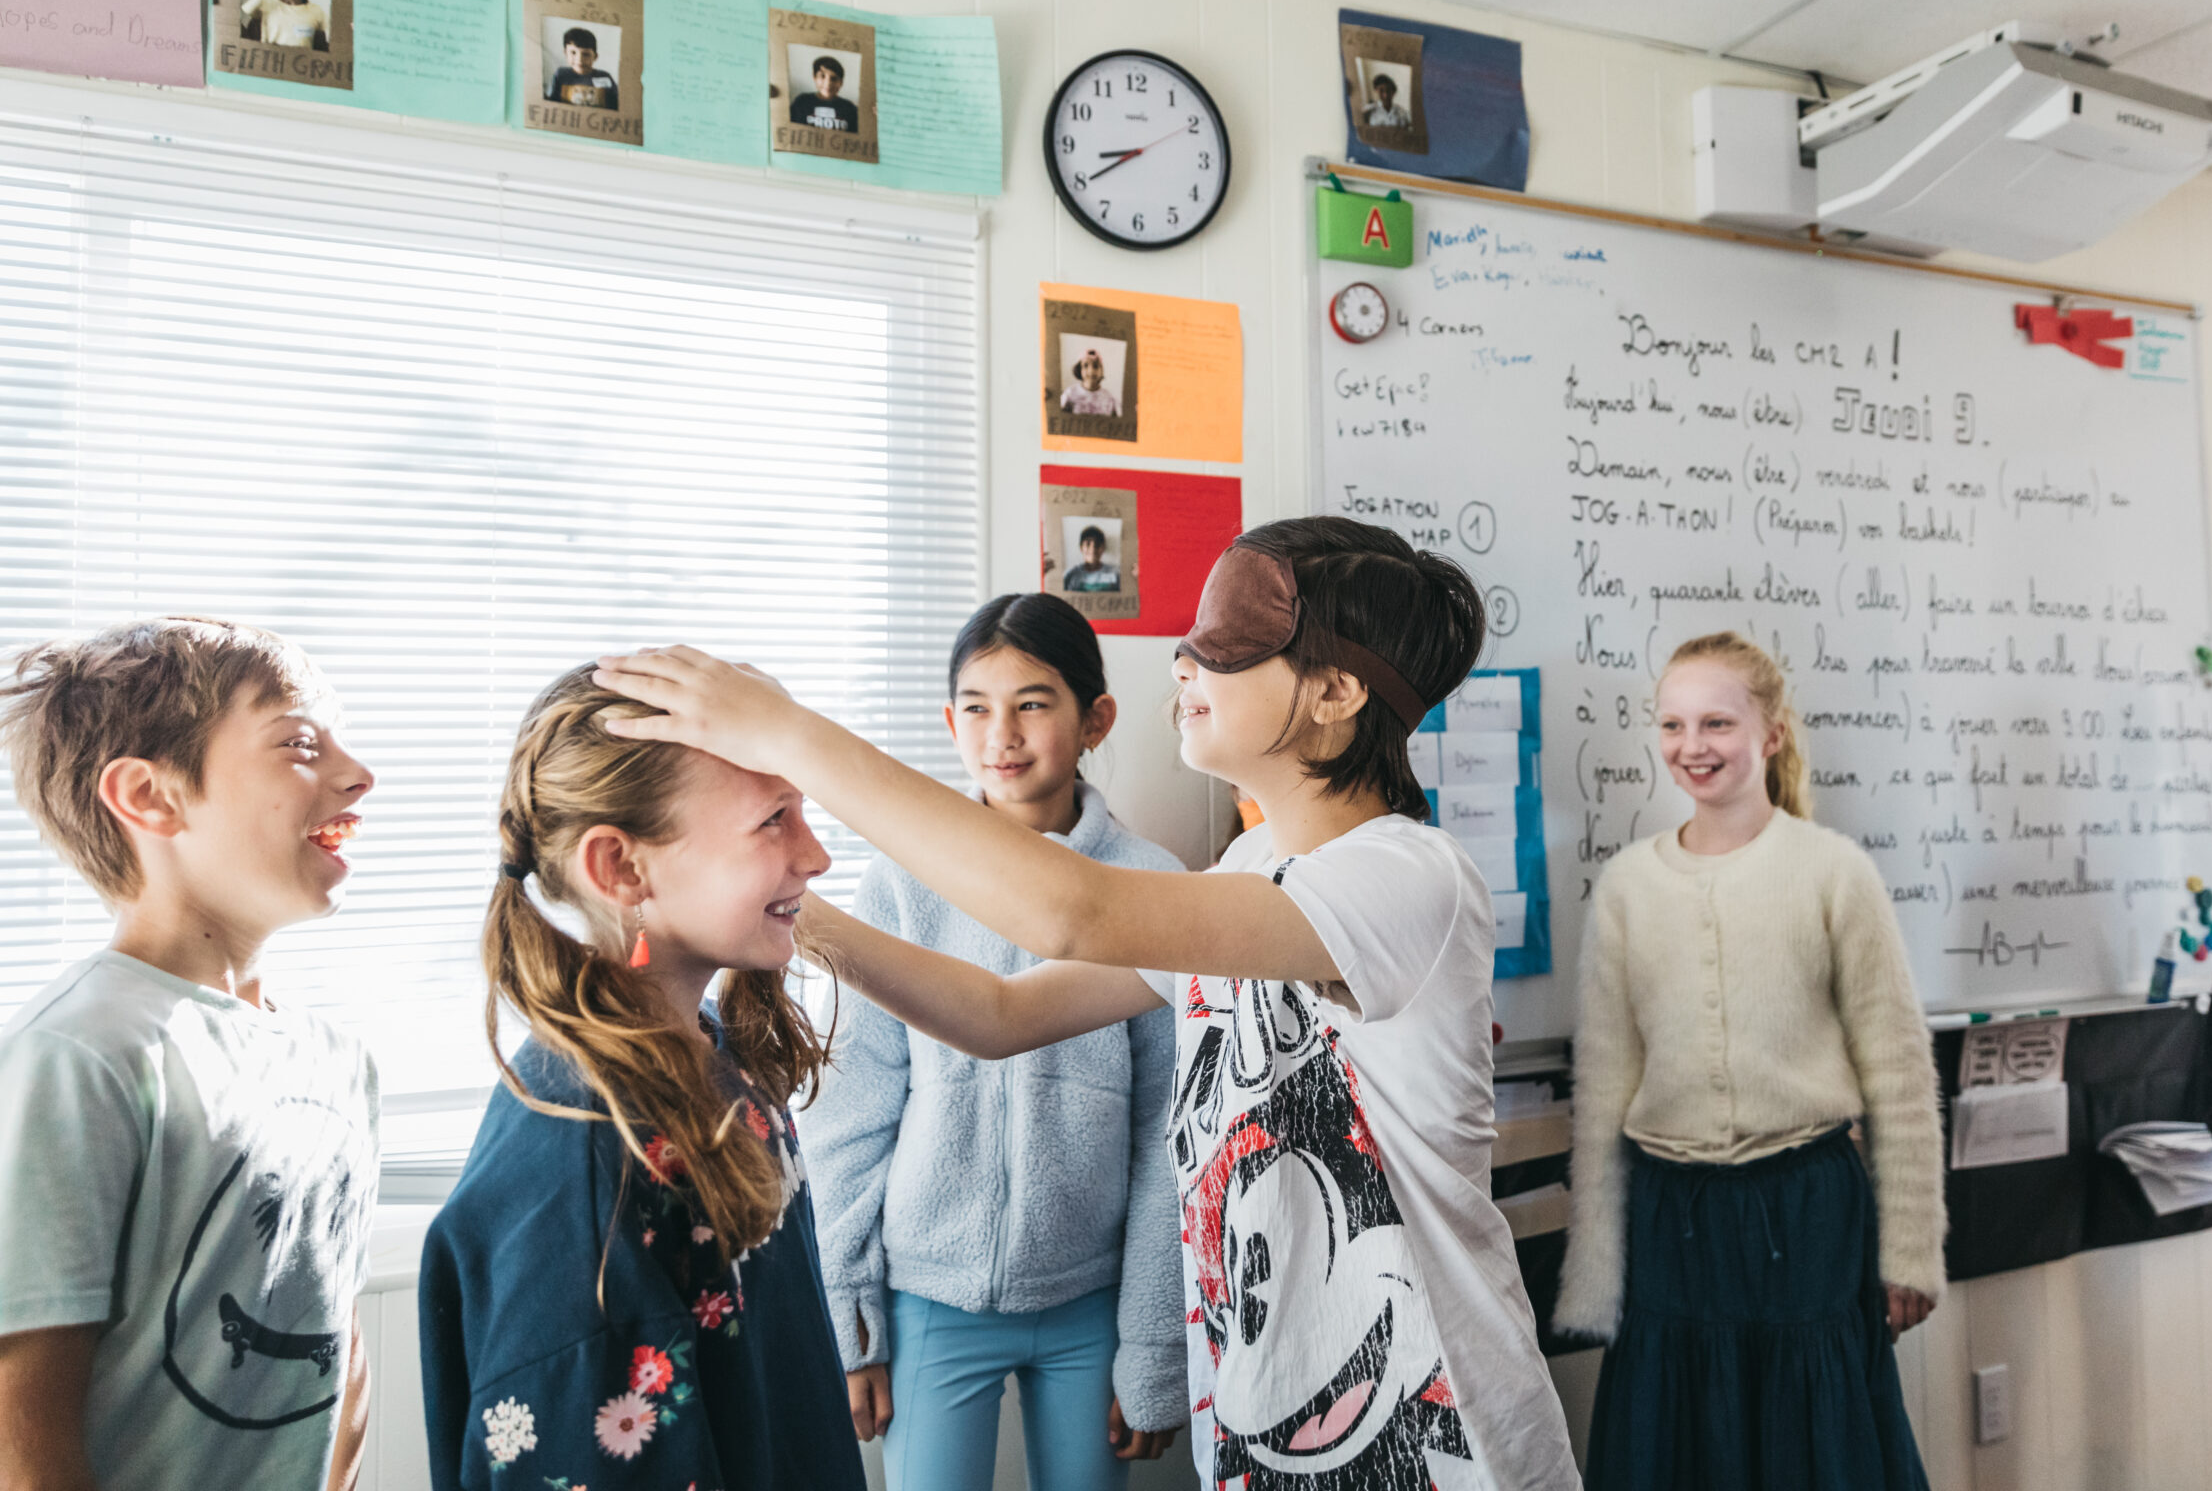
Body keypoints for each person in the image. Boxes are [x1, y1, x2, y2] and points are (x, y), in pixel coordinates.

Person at [591, 517, 1583, 1490]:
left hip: (1445, 1433)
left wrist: (788, 735)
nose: (1186, 662)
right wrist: (790, 908)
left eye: (1228, 643)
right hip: (1279, 1431)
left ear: (1333, 690)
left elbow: (1073, 910)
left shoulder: (1404, 876)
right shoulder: (1246, 869)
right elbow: (995, 1011)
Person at [416, 664, 863, 1491]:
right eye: (773, 821)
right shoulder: (587, 1173)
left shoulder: (707, 1052)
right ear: (621, 869)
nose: (818, 854)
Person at [799, 593, 1185, 1489]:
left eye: (1033, 704)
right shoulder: (902, 879)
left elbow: (1172, 1132)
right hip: (930, 1295)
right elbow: (850, 1105)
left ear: (1097, 719)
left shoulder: (1155, 887)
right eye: (975, 707)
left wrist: (1156, 1341)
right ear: (949, 721)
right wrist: (851, 1311)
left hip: (1094, 1301)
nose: (1001, 734)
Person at [1555, 631, 1944, 1491]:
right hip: (1672, 1223)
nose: (1692, 748)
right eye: (1673, 725)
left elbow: (1900, 1076)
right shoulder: (1628, 886)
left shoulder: (1832, 872)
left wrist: (1911, 1250)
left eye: (1718, 723)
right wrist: (1595, 1272)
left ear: (1771, 733)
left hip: (1806, 1216)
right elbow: (1605, 1086)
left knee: (1815, 1451)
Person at [0, 618, 380, 1491]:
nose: (358, 774)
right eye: (299, 744)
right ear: (151, 797)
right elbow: (22, 1430)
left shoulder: (339, 1059)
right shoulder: (78, 1056)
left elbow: (339, 1354)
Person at [546, 27, 619, 110]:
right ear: (565, 53)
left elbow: (615, 106)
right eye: (573, 53)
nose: (579, 60)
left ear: (595, 56)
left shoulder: (605, 77)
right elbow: (551, 103)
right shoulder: (560, 75)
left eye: (586, 54)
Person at [790, 54, 861, 133]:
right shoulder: (802, 101)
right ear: (814, 77)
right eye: (822, 76)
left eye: (834, 79)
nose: (828, 83)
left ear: (841, 82)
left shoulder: (850, 108)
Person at [1061, 526, 1121, 594]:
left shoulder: (1116, 573)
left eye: (1097, 544)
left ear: (1103, 548)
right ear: (1081, 547)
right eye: (1088, 544)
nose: (1093, 550)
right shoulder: (1070, 575)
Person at [1060, 349, 1120, 417]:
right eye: (1085, 366)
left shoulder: (1109, 398)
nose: (1091, 371)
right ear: (1080, 370)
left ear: (1101, 371)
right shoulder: (1070, 393)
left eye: (1095, 366)